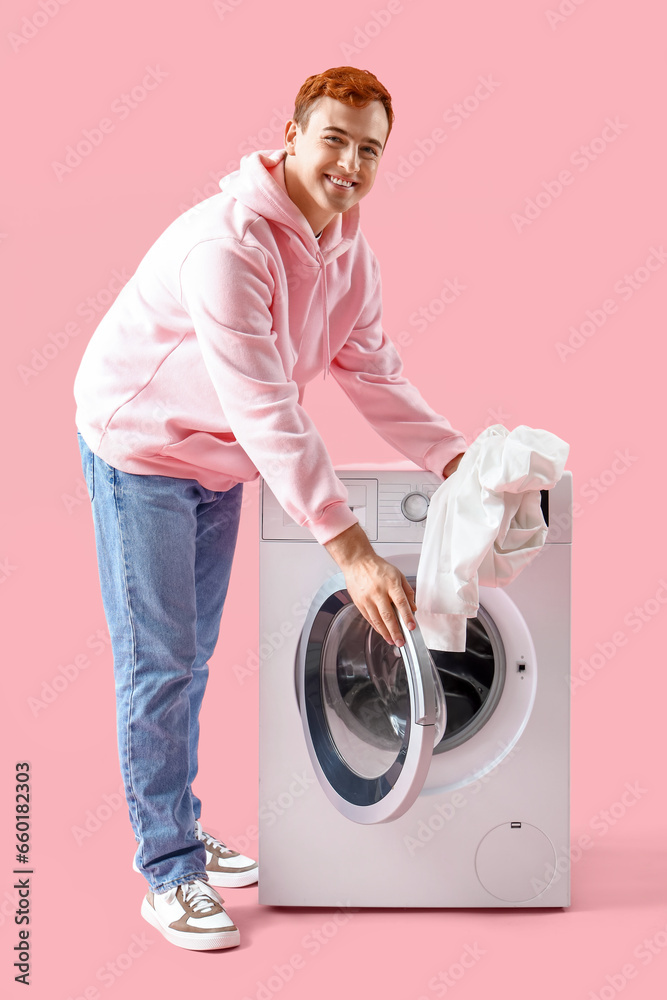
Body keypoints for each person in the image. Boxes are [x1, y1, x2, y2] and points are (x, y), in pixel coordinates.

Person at [73, 65, 466, 951]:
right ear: (291, 134)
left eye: (369, 148)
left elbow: (371, 370)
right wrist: (352, 548)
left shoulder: (345, 251)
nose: (350, 163)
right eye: (334, 139)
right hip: (143, 449)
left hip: (221, 462)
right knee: (158, 662)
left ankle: (175, 819)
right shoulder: (229, 246)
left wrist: (454, 457)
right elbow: (265, 407)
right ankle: (166, 868)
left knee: (189, 657)